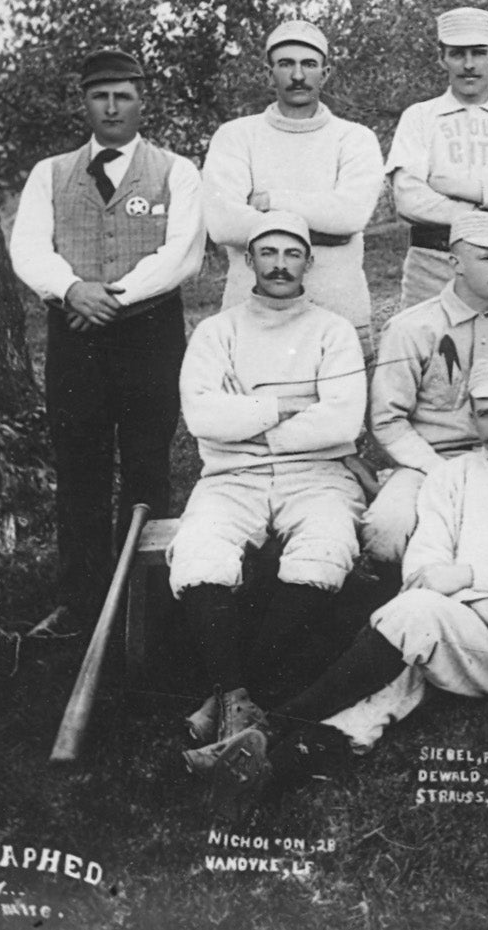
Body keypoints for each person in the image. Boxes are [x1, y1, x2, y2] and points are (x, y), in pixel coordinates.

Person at [189, 355, 488, 818]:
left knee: (410, 615)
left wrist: (467, 578)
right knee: (369, 708)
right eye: (486, 413)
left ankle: (272, 727)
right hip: (441, 629)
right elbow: (422, 566)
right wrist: (481, 599)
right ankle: (265, 773)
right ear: (470, 413)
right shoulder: (451, 476)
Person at [8, 47, 205, 628]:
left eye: (123, 95)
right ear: (85, 103)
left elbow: (183, 255)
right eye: (101, 95)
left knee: (146, 462)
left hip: (148, 332)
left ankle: (139, 605)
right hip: (75, 335)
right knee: (80, 465)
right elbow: (28, 248)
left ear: (142, 101)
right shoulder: (50, 172)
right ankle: (80, 599)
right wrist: (72, 289)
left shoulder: (176, 170)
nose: (112, 106)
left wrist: (112, 296)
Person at [168, 212, 368, 750]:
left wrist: (251, 421)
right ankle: (242, 695)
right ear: (250, 259)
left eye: (292, 254)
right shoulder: (216, 332)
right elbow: (203, 420)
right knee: (201, 553)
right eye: (269, 253)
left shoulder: (334, 330)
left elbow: (343, 422)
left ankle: (228, 697)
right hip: (232, 476)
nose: (280, 265)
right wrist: (287, 405)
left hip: (318, 475)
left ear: (309, 261)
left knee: (324, 550)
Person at [361, 211, 488, 564]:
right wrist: (439, 471)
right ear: (456, 263)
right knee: (387, 526)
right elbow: (388, 420)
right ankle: (394, 602)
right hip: (429, 463)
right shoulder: (412, 329)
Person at [202, 19, 385, 354]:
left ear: (326, 73)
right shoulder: (236, 136)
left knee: (344, 405)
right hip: (250, 321)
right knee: (253, 407)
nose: (298, 76)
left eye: (309, 64)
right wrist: (324, 233)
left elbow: (349, 216)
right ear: (268, 73)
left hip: (339, 319)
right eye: (286, 64)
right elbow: (223, 222)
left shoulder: (355, 138)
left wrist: (271, 201)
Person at [384, 7, 488, 312]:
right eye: (457, 54)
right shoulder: (420, 116)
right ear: (441, 57)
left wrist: (465, 189)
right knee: (430, 353)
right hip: (432, 263)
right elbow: (409, 198)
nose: (468, 65)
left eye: (478, 53)